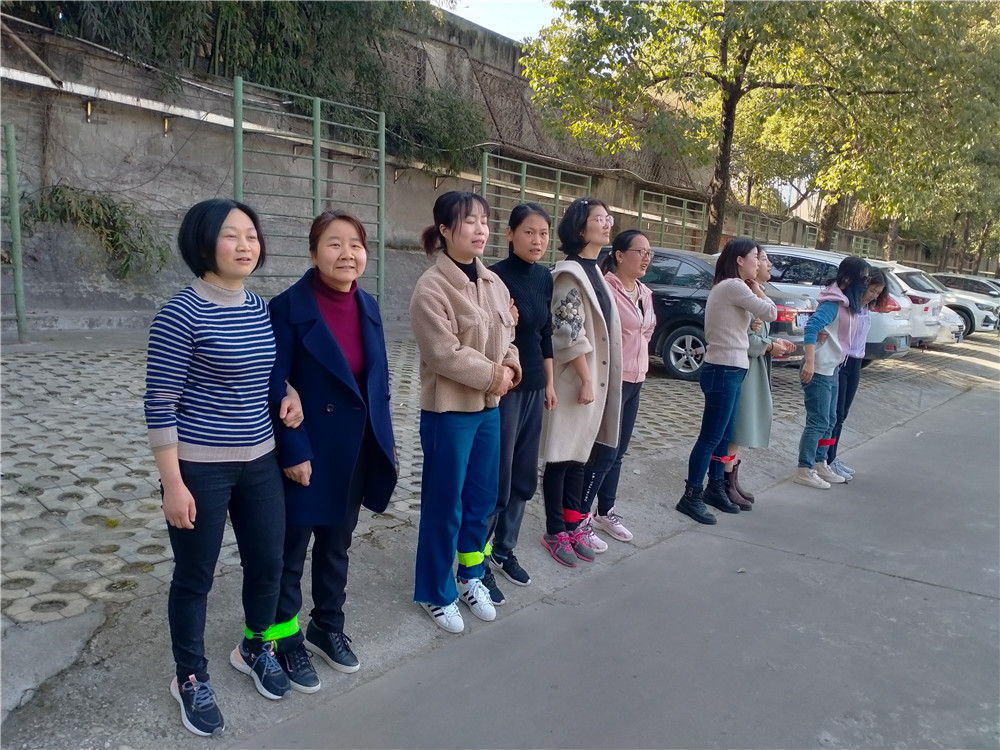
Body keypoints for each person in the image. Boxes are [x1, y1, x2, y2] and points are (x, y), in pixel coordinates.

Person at [144, 198, 301, 737]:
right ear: (203, 242)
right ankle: (189, 676)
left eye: (251, 235)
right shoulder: (180, 313)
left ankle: (255, 646)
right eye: (232, 235)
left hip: (260, 460)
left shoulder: (258, 307)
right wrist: (173, 484)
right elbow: (160, 403)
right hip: (199, 467)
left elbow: (265, 374)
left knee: (268, 562)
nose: (245, 245)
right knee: (195, 577)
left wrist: (290, 393)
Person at [265, 209, 398, 692]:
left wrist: (383, 440)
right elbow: (274, 383)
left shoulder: (368, 305)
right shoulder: (287, 307)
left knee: (337, 545)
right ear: (313, 252)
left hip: (356, 449)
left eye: (356, 245)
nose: (347, 254)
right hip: (309, 453)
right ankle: (284, 638)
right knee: (291, 550)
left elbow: (377, 381)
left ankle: (327, 625)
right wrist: (292, 451)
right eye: (334, 244)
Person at [409, 191, 521, 633]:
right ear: (445, 230)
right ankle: (435, 592)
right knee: (445, 505)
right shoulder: (431, 288)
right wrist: (496, 376)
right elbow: (444, 354)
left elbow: (509, 337)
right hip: (449, 414)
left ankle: (470, 574)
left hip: (489, 410)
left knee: (480, 499)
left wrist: (510, 368)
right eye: (469, 221)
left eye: (484, 221)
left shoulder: (494, 283)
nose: (480, 230)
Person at [480, 202, 557, 606]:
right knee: (499, 474)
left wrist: (549, 383)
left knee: (525, 473)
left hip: (534, 387)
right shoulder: (493, 277)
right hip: (505, 388)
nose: (537, 240)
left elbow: (545, 333)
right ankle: (477, 557)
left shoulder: (545, 277)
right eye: (529, 232)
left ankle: (505, 549)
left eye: (543, 233)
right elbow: (488, 335)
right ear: (509, 234)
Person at [539, 196, 623, 566]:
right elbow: (567, 333)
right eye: (599, 218)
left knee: (580, 456)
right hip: (575, 381)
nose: (607, 224)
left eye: (609, 218)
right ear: (579, 228)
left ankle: (574, 525)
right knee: (561, 457)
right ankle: (554, 531)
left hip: (592, 382)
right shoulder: (569, 274)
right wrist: (587, 380)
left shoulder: (595, 271)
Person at [675, 237, 777, 525]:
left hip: (731, 368)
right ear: (739, 261)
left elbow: (754, 319)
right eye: (755, 256)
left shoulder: (732, 287)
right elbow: (771, 312)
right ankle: (691, 496)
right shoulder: (733, 285)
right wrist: (757, 289)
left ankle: (715, 487)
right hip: (723, 369)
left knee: (723, 436)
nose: (759, 262)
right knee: (710, 437)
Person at [576, 229, 656, 547]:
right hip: (612, 380)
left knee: (619, 451)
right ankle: (580, 516)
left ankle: (605, 511)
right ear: (620, 255)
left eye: (649, 253)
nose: (646, 258)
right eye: (640, 252)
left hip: (637, 379)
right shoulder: (606, 290)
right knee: (604, 451)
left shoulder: (645, 293)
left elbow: (646, 332)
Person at [723, 247, 797, 508]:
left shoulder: (754, 293)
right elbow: (747, 338)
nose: (765, 264)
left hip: (753, 366)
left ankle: (731, 480)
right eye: (762, 259)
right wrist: (769, 346)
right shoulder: (742, 293)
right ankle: (723, 482)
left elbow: (758, 333)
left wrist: (772, 342)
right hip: (743, 367)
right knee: (736, 428)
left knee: (740, 429)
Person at [795, 256, 870, 489]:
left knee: (831, 419)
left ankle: (820, 462)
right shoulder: (832, 304)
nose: (866, 284)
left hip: (833, 368)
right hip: (819, 369)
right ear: (848, 279)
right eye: (863, 278)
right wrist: (809, 362)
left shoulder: (848, 304)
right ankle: (804, 468)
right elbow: (811, 327)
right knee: (818, 421)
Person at [825, 268, 888, 480]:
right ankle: (824, 459)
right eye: (872, 290)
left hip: (856, 362)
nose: (873, 296)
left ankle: (832, 457)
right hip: (842, 361)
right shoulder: (846, 305)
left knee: (842, 414)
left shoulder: (866, 308)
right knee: (834, 415)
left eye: (878, 292)